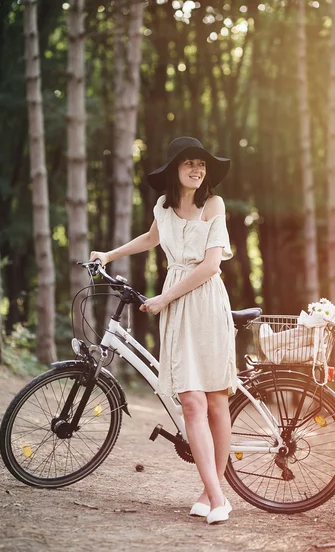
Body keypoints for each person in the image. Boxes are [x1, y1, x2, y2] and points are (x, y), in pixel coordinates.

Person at [90, 136, 237, 525]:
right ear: (174, 169)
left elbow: (210, 266)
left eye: (201, 164)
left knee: (216, 401)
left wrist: (163, 299)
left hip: (205, 302)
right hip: (178, 306)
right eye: (189, 163)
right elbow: (151, 239)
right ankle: (218, 494)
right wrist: (109, 254)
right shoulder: (164, 207)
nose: (196, 169)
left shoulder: (213, 205)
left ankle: (212, 493)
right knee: (191, 401)